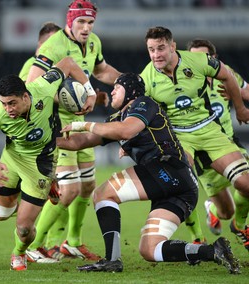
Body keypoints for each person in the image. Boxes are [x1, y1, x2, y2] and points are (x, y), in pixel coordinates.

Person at [57, 72, 240, 274]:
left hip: (169, 169)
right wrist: (50, 141)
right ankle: (212, 251)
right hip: (182, 189)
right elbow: (80, 141)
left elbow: (127, 130)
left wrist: (84, 124)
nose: (113, 91)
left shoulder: (144, 104)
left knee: (103, 194)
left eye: (118, 87)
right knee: (150, 250)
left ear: (131, 91)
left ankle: (112, 260)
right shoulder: (117, 119)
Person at [0, 56, 97, 271]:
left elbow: (68, 63)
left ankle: (19, 253)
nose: (8, 109)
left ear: (25, 96)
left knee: (23, 229)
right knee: (2, 214)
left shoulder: (43, 86)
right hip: (11, 159)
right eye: (4, 103)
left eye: (12, 103)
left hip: (41, 163)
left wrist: (91, 92)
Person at [23, 0, 121, 262]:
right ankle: (34, 245)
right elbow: (31, 85)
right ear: (70, 21)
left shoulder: (94, 42)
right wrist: (67, 98)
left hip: (80, 124)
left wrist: (125, 81)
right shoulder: (54, 45)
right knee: (69, 190)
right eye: (81, 22)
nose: (86, 28)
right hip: (56, 124)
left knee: (88, 185)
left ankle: (72, 242)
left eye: (90, 22)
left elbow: (101, 70)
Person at [140, 26, 249, 251]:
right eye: (151, 49)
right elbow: (138, 113)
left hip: (210, 132)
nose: (156, 54)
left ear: (172, 46)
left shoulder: (198, 62)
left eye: (161, 48)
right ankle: (197, 237)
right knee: (179, 182)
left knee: (245, 186)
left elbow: (228, 75)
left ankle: (239, 226)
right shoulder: (146, 78)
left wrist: (240, 109)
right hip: (179, 136)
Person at [186, 38, 249, 250]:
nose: (199, 61)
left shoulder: (227, 75)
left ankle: (240, 226)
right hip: (204, 154)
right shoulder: (182, 80)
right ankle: (213, 208)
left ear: (214, 59)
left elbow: (246, 92)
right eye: (194, 57)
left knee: (247, 184)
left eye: (204, 56)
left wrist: (237, 98)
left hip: (228, 143)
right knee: (226, 212)